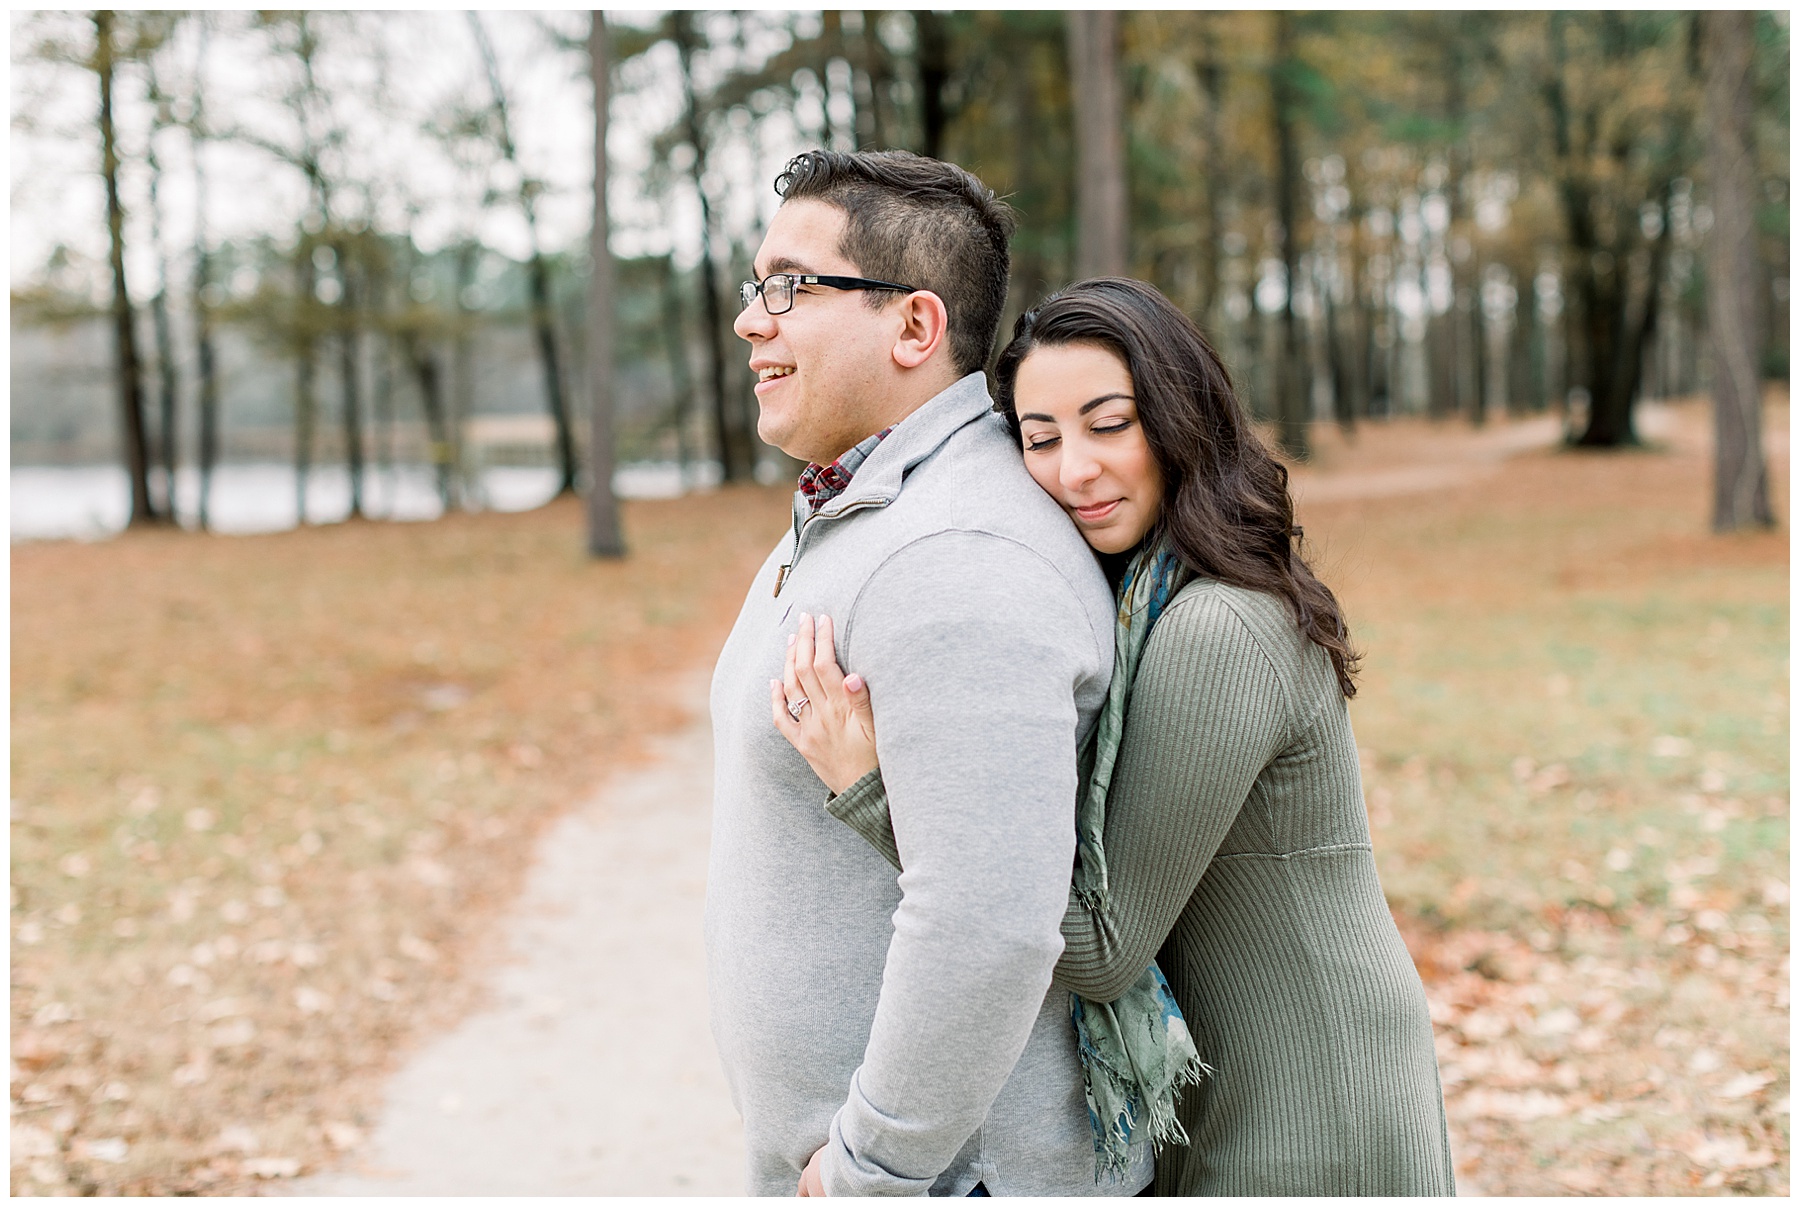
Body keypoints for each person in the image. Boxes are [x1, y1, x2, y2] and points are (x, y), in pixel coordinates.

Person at [774, 277, 1457, 1195]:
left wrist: (877, 786)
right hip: (1225, 1087)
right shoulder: (1142, 600)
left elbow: (1103, 947)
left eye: (1109, 425)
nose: (1073, 470)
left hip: (1305, 1104)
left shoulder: (1219, 629)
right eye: (1040, 438)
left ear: (1180, 422)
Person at [705, 151, 1153, 1196]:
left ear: (914, 327)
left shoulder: (959, 556)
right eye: (752, 287)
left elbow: (987, 919)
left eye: (790, 286)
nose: (751, 321)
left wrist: (873, 1166)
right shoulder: (867, 510)